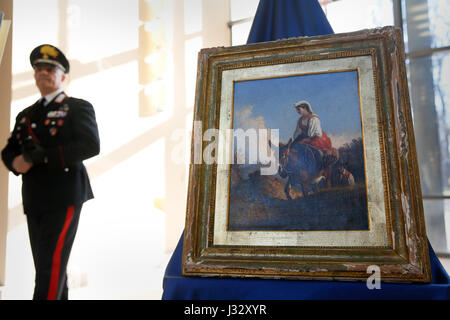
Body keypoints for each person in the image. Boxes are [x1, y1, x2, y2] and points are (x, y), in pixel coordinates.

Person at [1, 44, 100, 300]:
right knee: (50, 266)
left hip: (64, 194)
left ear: (63, 76)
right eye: (38, 69)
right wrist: (16, 163)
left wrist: (45, 156)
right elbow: (9, 151)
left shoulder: (77, 108)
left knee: (49, 266)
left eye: (49, 69)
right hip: (35, 197)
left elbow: (91, 145)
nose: (42, 73)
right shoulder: (25, 116)